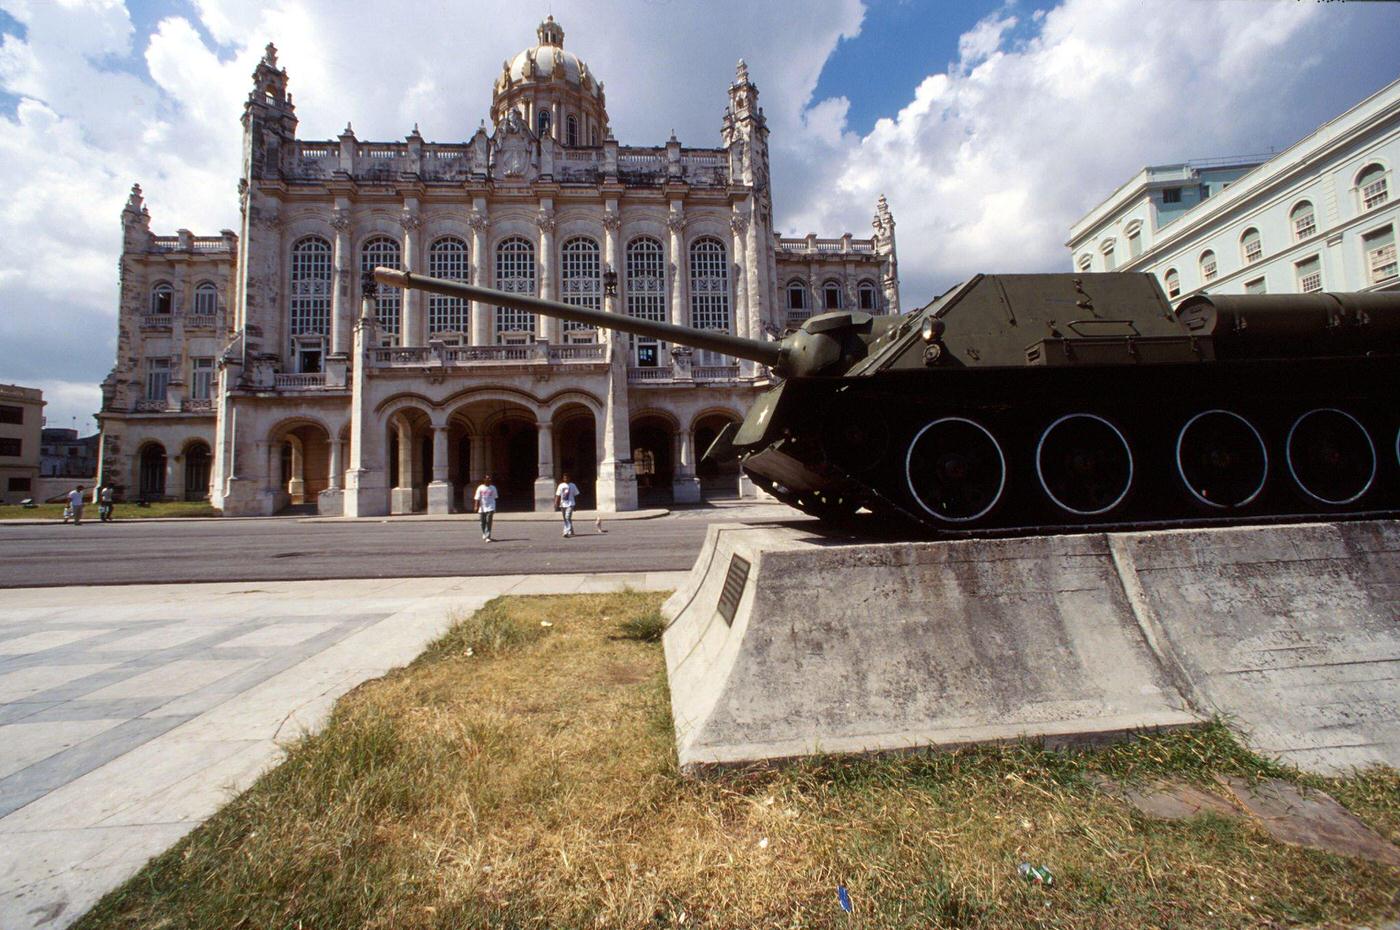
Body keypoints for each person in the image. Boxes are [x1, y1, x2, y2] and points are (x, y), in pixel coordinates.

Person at [473, 474, 498, 542]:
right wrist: (476, 506)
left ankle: (488, 536)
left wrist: (494, 507)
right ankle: (484, 533)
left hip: (490, 507)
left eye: (489, 479)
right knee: (482, 522)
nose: (489, 480)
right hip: (482, 507)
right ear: (484, 480)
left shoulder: (493, 488)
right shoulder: (480, 488)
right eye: (487, 479)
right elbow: (477, 498)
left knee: (488, 521)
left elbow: (494, 498)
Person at [554, 472, 579, 538]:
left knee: (567, 517)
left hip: (571, 504)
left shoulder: (573, 485)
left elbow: (576, 495)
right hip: (563, 504)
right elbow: (557, 495)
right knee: (566, 518)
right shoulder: (561, 485)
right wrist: (556, 503)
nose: (566, 479)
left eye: (567, 478)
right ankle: (571, 531)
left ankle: (566, 532)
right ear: (563, 479)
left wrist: (576, 505)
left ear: (569, 478)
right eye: (565, 478)